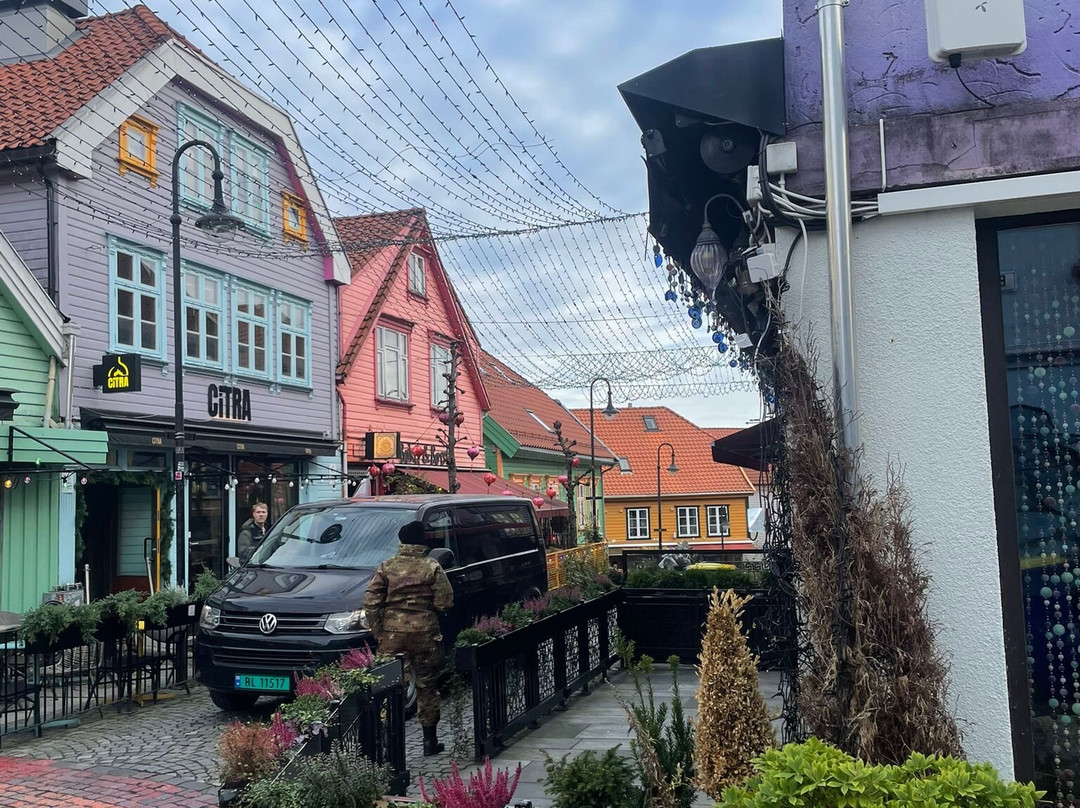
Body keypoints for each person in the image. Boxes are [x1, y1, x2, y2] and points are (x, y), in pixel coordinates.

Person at [364, 520, 453, 756]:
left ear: (401, 541)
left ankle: (388, 742)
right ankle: (429, 741)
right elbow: (445, 601)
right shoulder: (432, 566)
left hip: (393, 634)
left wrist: (379, 632)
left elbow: (371, 602)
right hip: (425, 633)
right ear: (422, 541)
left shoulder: (386, 566)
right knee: (427, 685)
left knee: (391, 686)